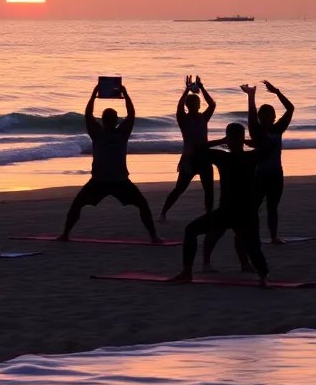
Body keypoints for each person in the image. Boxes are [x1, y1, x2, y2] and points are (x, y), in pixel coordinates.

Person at [59, 83, 159, 243]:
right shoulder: (112, 133)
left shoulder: (105, 133)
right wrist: (125, 95)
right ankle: (153, 237)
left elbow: (88, 115)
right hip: (105, 181)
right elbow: (131, 114)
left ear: (104, 120)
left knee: (78, 205)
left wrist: (94, 95)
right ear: (115, 120)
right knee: (141, 205)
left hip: (113, 180)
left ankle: (65, 234)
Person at [173, 122, 268, 284]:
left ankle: (187, 272)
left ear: (228, 139)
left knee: (191, 230)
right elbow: (269, 147)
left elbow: (197, 148)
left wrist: (221, 141)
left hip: (229, 212)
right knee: (252, 246)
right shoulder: (250, 157)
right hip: (243, 212)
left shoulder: (223, 158)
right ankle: (263, 277)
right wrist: (250, 142)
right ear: (242, 138)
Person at [242, 79, 295, 243]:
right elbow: (251, 113)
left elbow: (290, 108)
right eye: (263, 116)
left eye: (269, 115)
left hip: (276, 174)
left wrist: (277, 92)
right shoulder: (256, 130)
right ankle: (250, 234)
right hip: (260, 174)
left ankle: (274, 236)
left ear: (273, 117)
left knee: (273, 206)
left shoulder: (278, 129)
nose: (266, 118)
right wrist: (251, 95)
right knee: (254, 206)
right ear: (260, 118)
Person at [159, 75, 216, 221]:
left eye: (198, 102)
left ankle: (209, 214)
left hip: (204, 158)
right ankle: (163, 213)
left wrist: (202, 87)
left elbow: (212, 104)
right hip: (189, 159)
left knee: (209, 189)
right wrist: (186, 90)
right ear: (188, 105)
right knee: (180, 188)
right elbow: (179, 107)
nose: (197, 104)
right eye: (195, 103)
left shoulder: (203, 117)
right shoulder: (183, 119)